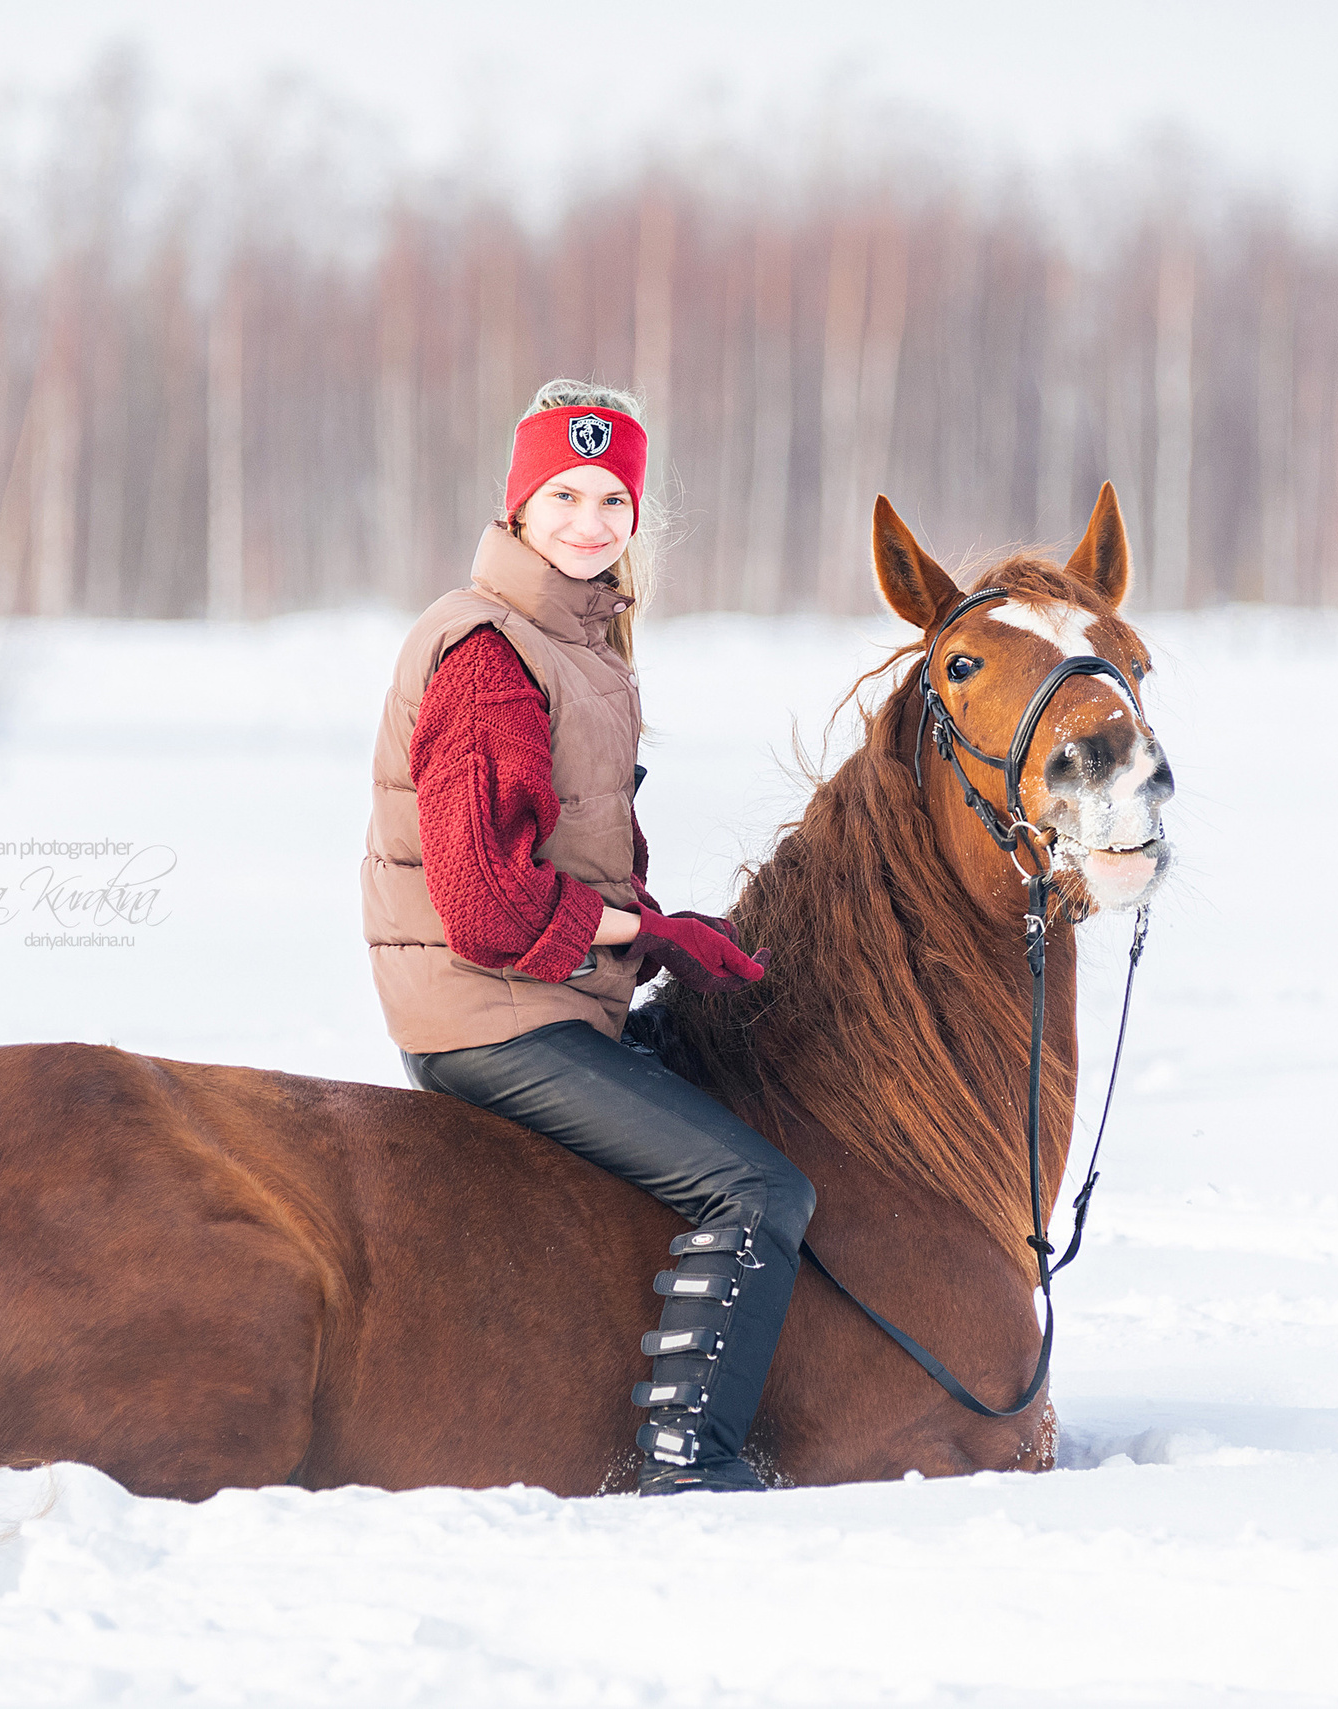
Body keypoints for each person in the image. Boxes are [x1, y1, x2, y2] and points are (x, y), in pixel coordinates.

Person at [362, 378, 817, 1495]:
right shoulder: (488, 651)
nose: (587, 521)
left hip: (551, 995)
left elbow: (565, 856)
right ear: (515, 506)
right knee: (758, 1190)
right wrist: (634, 924)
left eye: (611, 498)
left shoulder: (577, 640)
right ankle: (686, 1462)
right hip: (486, 1014)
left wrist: (655, 937)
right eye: (562, 493)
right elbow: (482, 901)